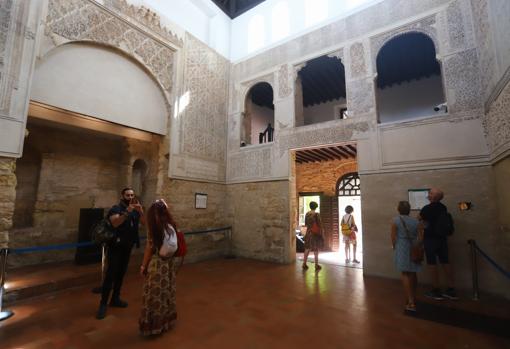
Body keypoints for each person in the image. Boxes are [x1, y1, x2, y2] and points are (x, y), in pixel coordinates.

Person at [96, 187, 144, 320]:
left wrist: (141, 212)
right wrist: (127, 212)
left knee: (121, 274)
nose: (130, 197)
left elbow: (144, 223)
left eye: (132, 195)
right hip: (115, 247)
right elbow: (115, 223)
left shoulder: (135, 210)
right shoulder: (116, 209)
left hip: (127, 247)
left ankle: (115, 298)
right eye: (127, 195)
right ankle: (103, 304)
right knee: (111, 274)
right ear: (122, 196)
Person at [139, 199, 180, 336]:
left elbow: (149, 249)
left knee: (154, 295)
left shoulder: (154, 227)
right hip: (169, 263)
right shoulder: (171, 224)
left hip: (157, 265)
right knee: (167, 291)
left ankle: (153, 325)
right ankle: (166, 322)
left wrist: (143, 266)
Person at [420, 188, 457, 300]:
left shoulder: (427, 208)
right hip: (442, 239)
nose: (428, 195)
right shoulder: (443, 207)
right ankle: (451, 289)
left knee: (432, 264)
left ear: (434, 197)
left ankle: (436, 290)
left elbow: (419, 220)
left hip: (430, 239)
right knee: (445, 262)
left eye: (430, 193)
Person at [391, 201, 422, 312]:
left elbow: (393, 238)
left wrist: (395, 247)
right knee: (413, 272)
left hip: (401, 247)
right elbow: (421, 238)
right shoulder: (416, 221)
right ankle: (413, 296)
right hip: (413, 247)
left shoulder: (395, 221)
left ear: (398, 209)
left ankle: (410, 301)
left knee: (405, 273)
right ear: (409, 209)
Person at [302, 201, 324, 271]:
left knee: (307, 248)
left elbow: (305, 224)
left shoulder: (307, 214)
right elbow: (320, 225)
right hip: (315, 234)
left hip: (308, 233)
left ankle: (304, 263)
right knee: (316, 249)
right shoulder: (317, 214)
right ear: (316, 207)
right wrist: (322, 233)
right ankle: (316, 265)